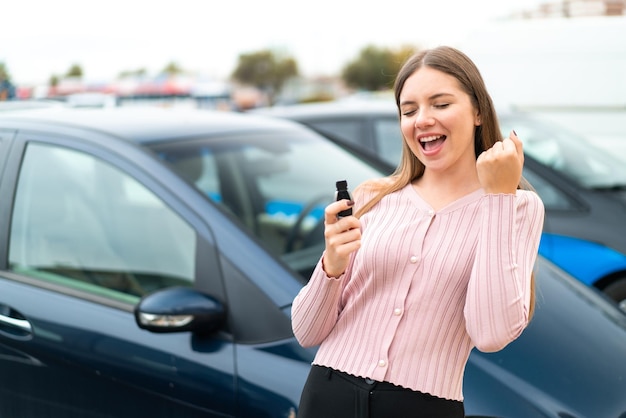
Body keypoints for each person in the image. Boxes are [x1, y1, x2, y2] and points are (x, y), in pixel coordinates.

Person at [291, 45, 545, 418]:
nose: (422, 119)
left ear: (478, 111)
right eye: (409, 110)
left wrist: (499, 198)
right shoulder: (372, 197)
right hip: (329, 395)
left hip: (424, 407)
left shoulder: (517, 207)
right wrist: (331, 265)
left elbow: (491, 334)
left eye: (440, 104)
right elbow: (306, 332)